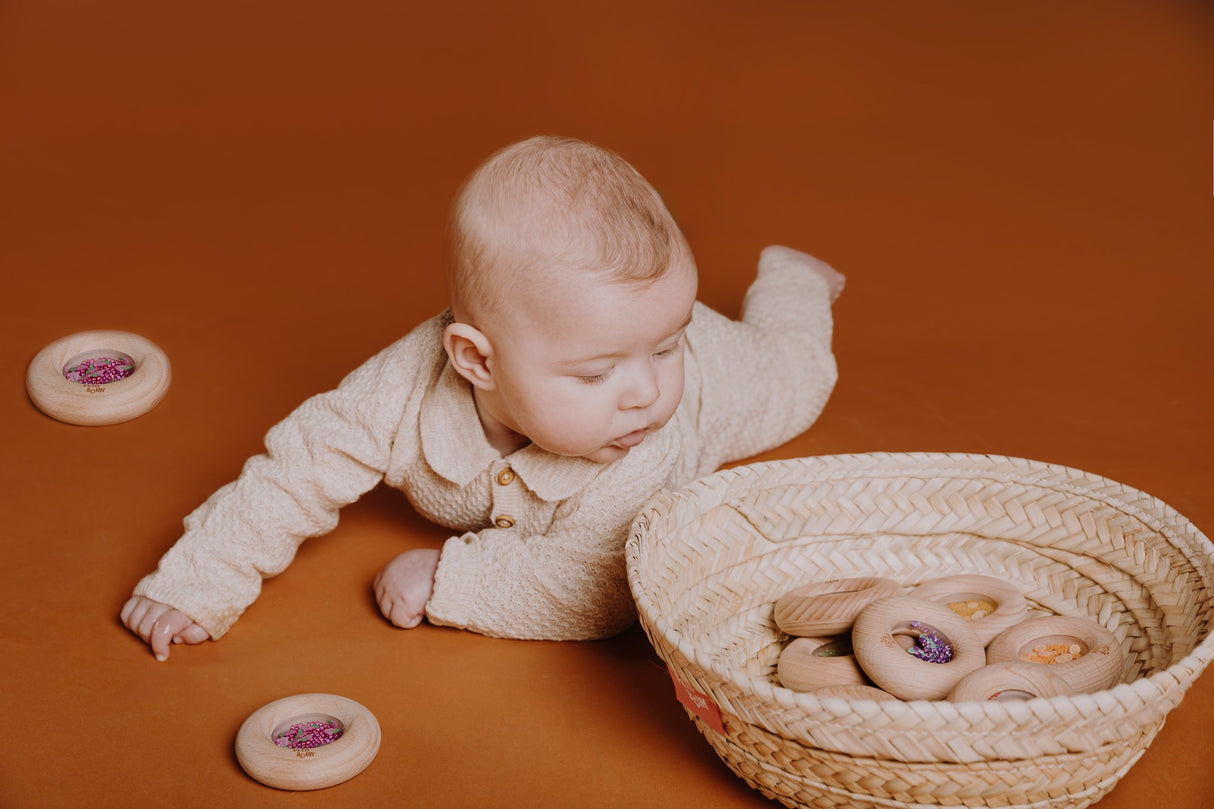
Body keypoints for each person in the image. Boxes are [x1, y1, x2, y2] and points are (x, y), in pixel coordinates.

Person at [120, 135, 845, 660]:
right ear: (475, 359)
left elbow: (597, 589)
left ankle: (794, 281)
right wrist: (197, 581)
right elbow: (298, 466)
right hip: (589, 338)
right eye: (595, 375)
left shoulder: (644, 437)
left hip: (726, 373)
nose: (648, 393)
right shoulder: (400, 389)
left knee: (800, 378)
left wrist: (448, 577)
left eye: (664, 347)